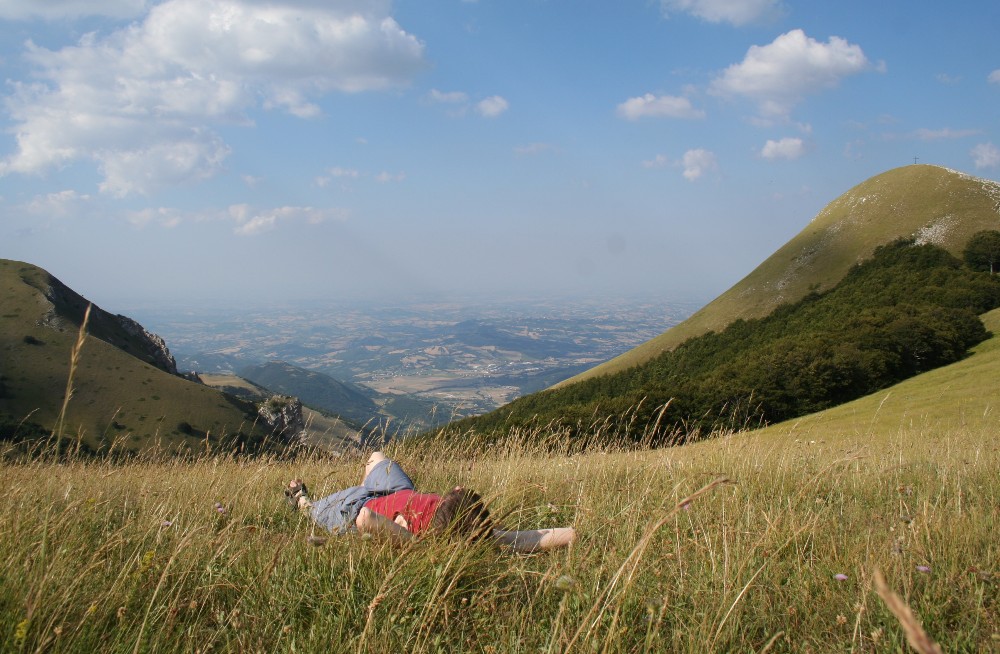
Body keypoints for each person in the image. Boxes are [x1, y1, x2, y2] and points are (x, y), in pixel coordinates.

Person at [285, 451, 576, 553]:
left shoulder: (415, 533)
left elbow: (364, 519)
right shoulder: (479, 531)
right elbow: (546, 537)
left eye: (459, 492)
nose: (459, 486)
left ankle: (300, 497)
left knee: (313, 512)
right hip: (395, 490)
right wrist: (572, 535)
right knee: (377, 457)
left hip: (355, 508)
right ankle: (365, 483)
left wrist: (412, 543)